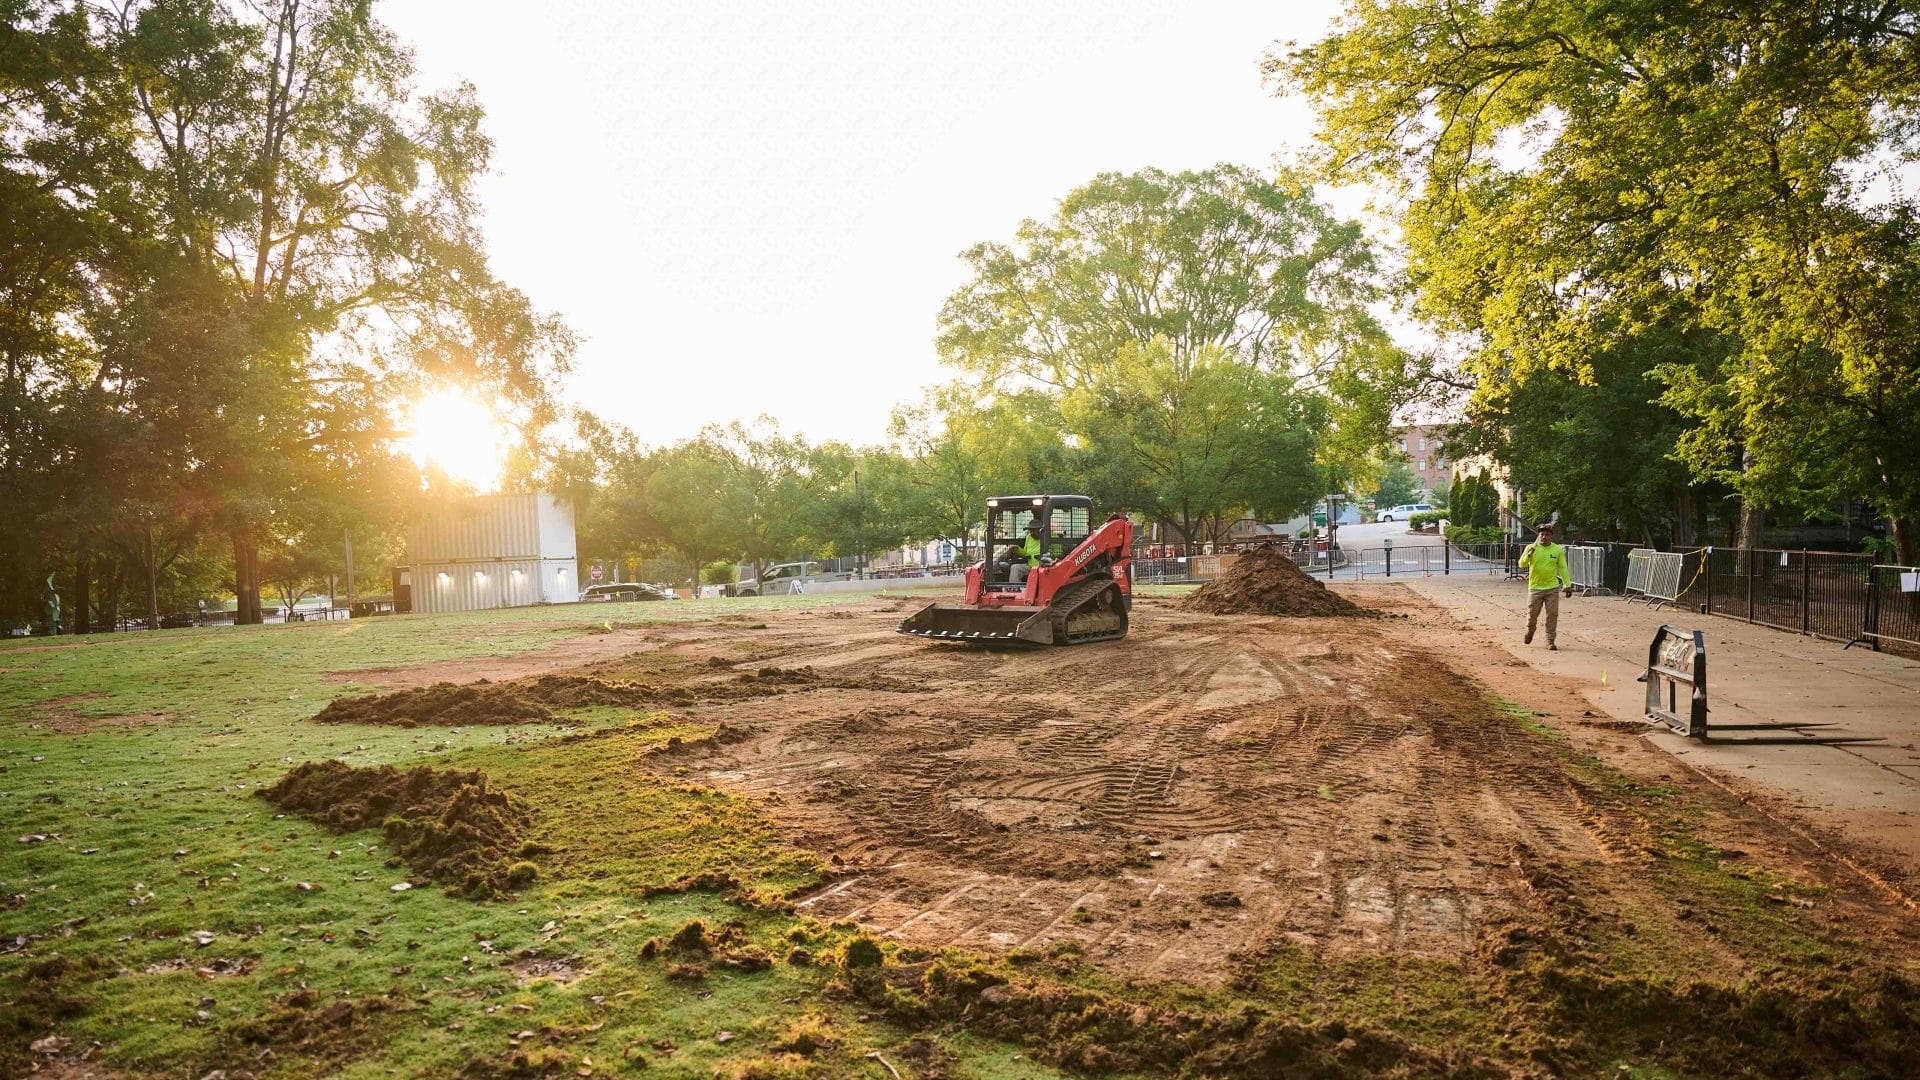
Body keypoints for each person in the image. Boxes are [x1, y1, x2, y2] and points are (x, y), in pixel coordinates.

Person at [1518, 521, 1571, 650]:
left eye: (1547, 535)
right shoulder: (1531, 548)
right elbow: (1521, 564)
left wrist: (1567, 584)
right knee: (1532, 615)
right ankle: (1530, 631)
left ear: (1551, 536)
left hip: (1552, 588)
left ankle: (1550, 640)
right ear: (1538, 536)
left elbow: (1563, 568)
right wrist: (1528, 556)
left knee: (1552, 615)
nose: (1544, 537)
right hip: (1535, 588)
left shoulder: (1557, 549)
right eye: (1541, 534)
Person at [1009, 520, 1045, 585]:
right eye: (1030, 531)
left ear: (1040, 529)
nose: (1032, 533)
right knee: (1015, 568)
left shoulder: (1050, 535)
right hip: (1030, 566)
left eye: (1034, 530)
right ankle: (1015, 589)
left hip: (1045, 567)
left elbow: (1058, 551)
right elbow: (1025, 552)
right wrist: (1018, 549)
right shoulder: (1029, 537)